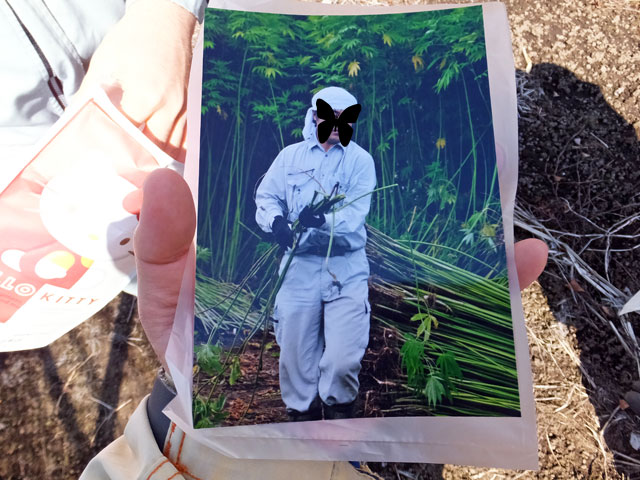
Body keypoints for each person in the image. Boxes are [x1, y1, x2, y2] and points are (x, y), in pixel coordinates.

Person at [255, 86, 376, 421]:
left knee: (342, 359)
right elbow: (266, 198)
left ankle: (339, 419)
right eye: (329, 116)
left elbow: (354, 216)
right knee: (294, 355)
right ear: (314, 116)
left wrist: (323, 220)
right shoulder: (290, 157)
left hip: (345, 267)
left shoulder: (360, 161)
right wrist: (276, 222)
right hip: (299, 265)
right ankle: (301, 419)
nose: (336, 124)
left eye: (344, 118)